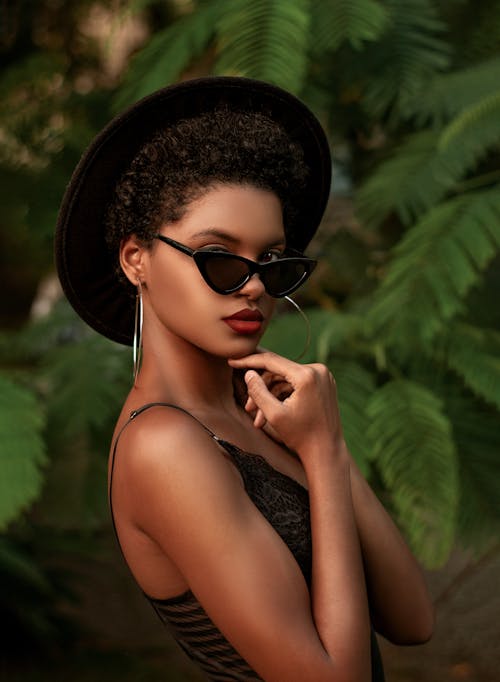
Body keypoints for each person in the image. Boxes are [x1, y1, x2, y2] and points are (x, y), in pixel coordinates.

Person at [55, 77, 434, 682]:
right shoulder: (164, 446)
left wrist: (326, 449)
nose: (253, 285)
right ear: (136, 260)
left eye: (272, 263)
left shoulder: (268, 411)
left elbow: (414, 620)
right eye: (220, 258)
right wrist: (322, 451)